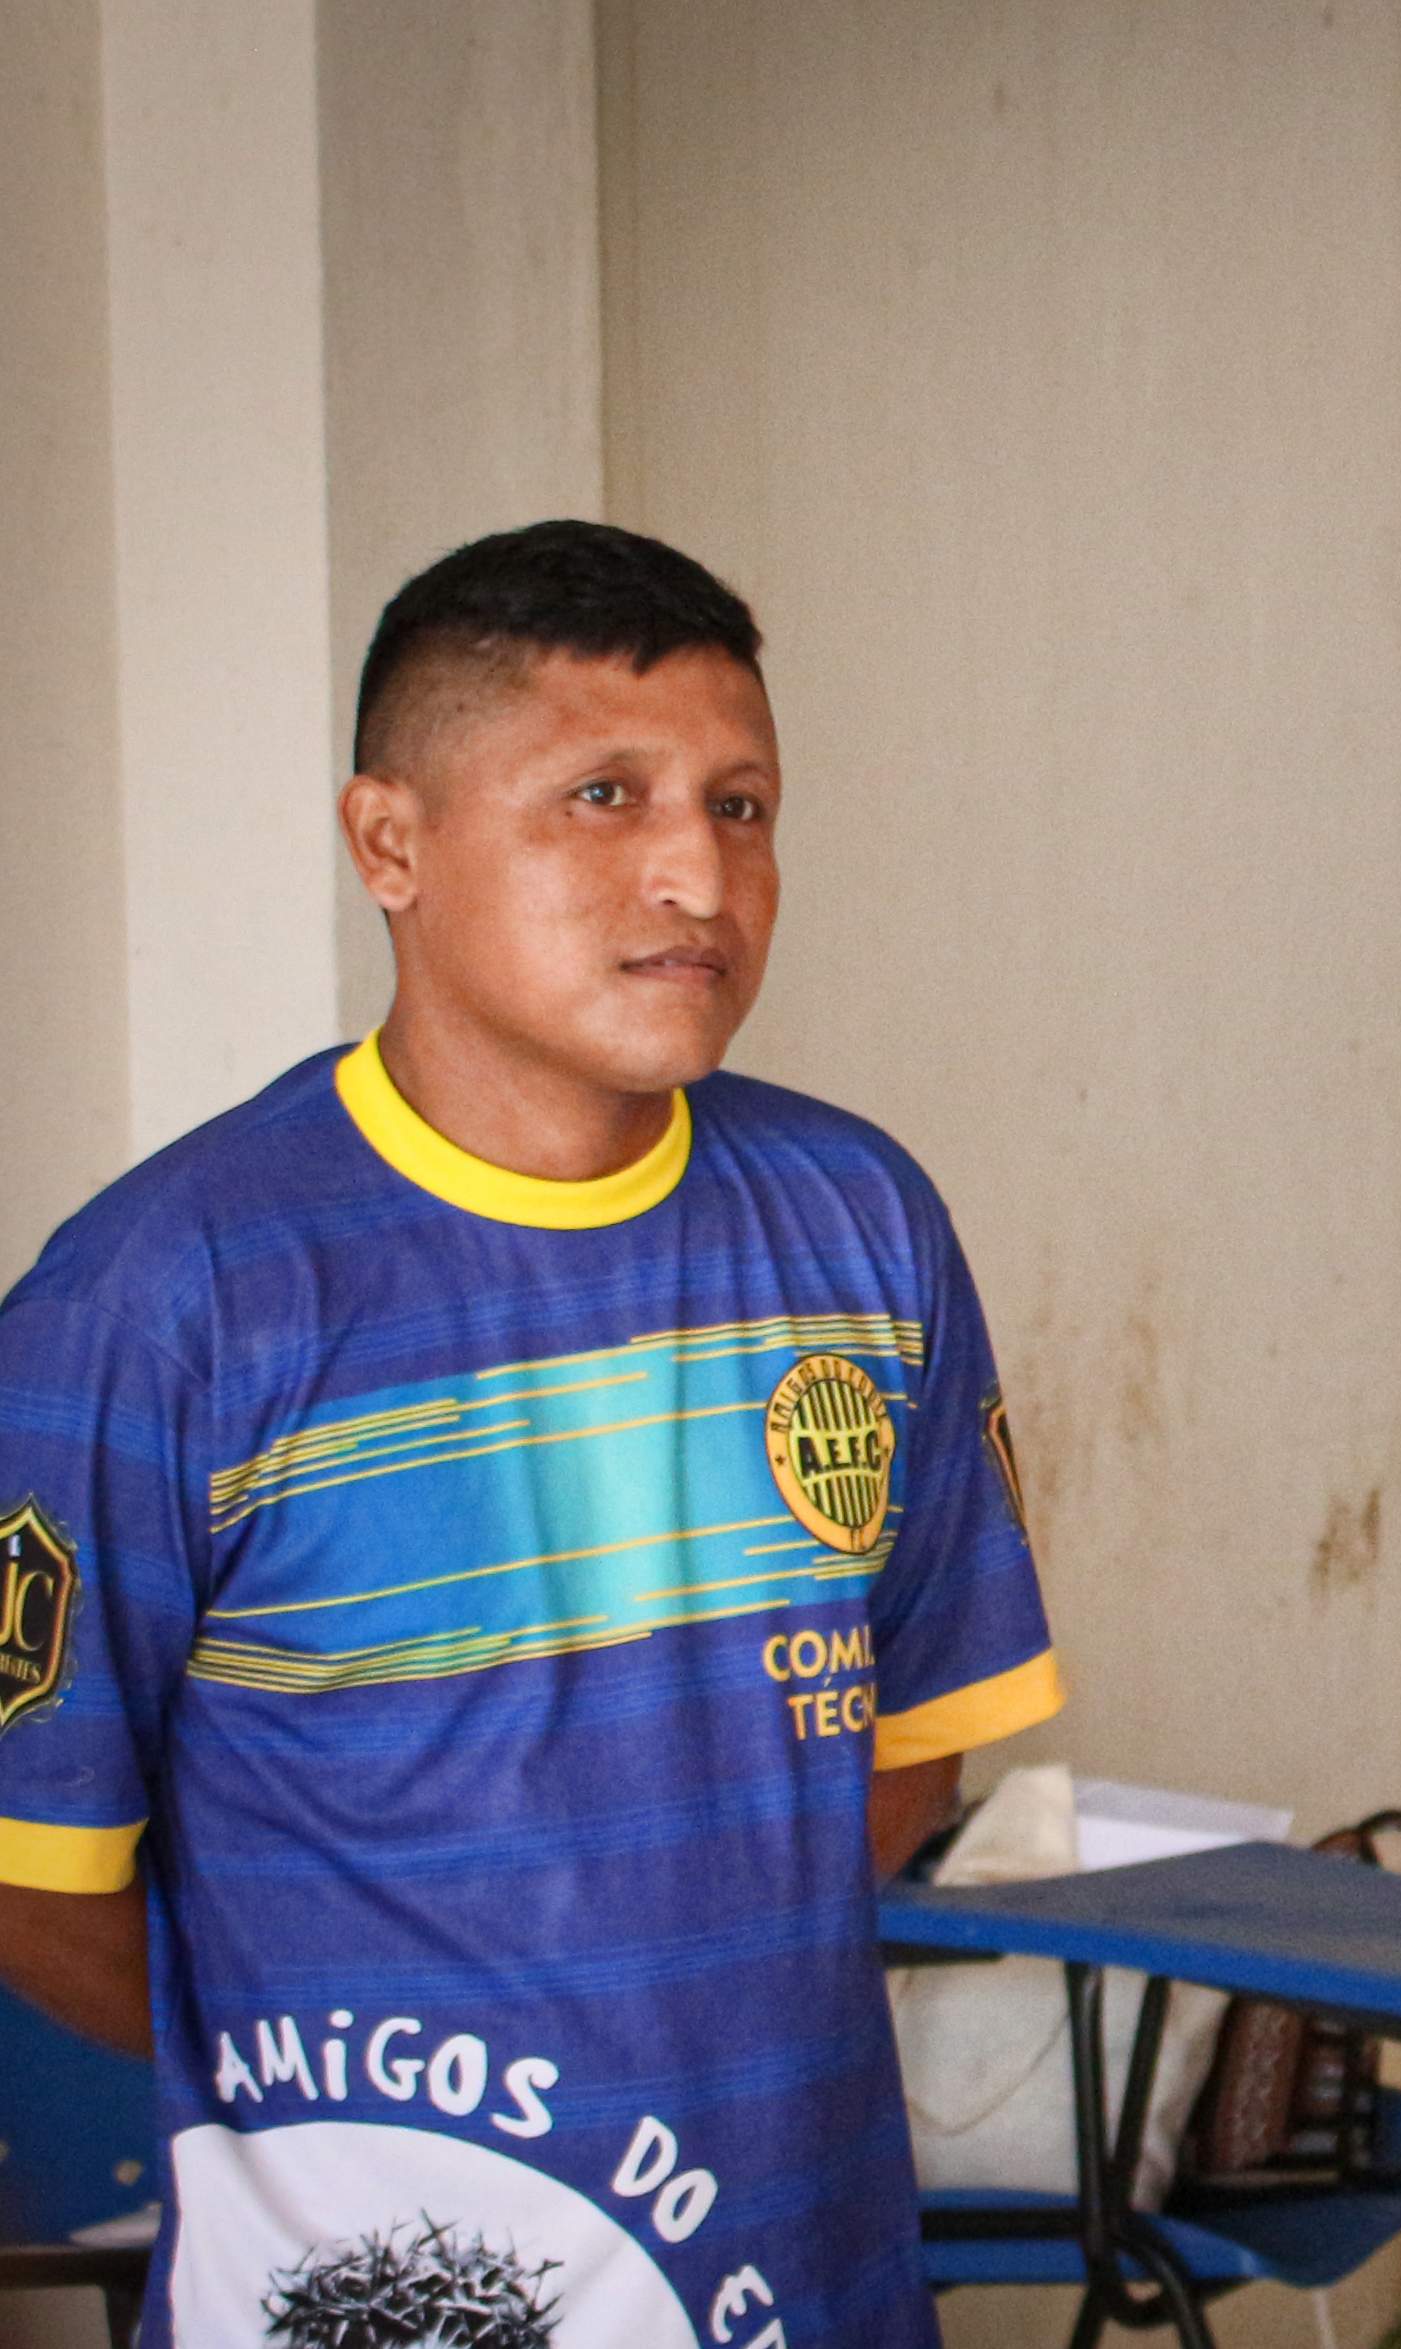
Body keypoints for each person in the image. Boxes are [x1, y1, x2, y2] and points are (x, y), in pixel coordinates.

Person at [0, 522, 1062, 2345]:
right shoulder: (163, 1298)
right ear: (389, 843)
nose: (695, 875)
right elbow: (36, 1881)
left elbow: (908, 1751)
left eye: (743, 804)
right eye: (601, 792)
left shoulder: (861, 1224)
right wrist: (358, 2072)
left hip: (805, 2281)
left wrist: (680, 2006)